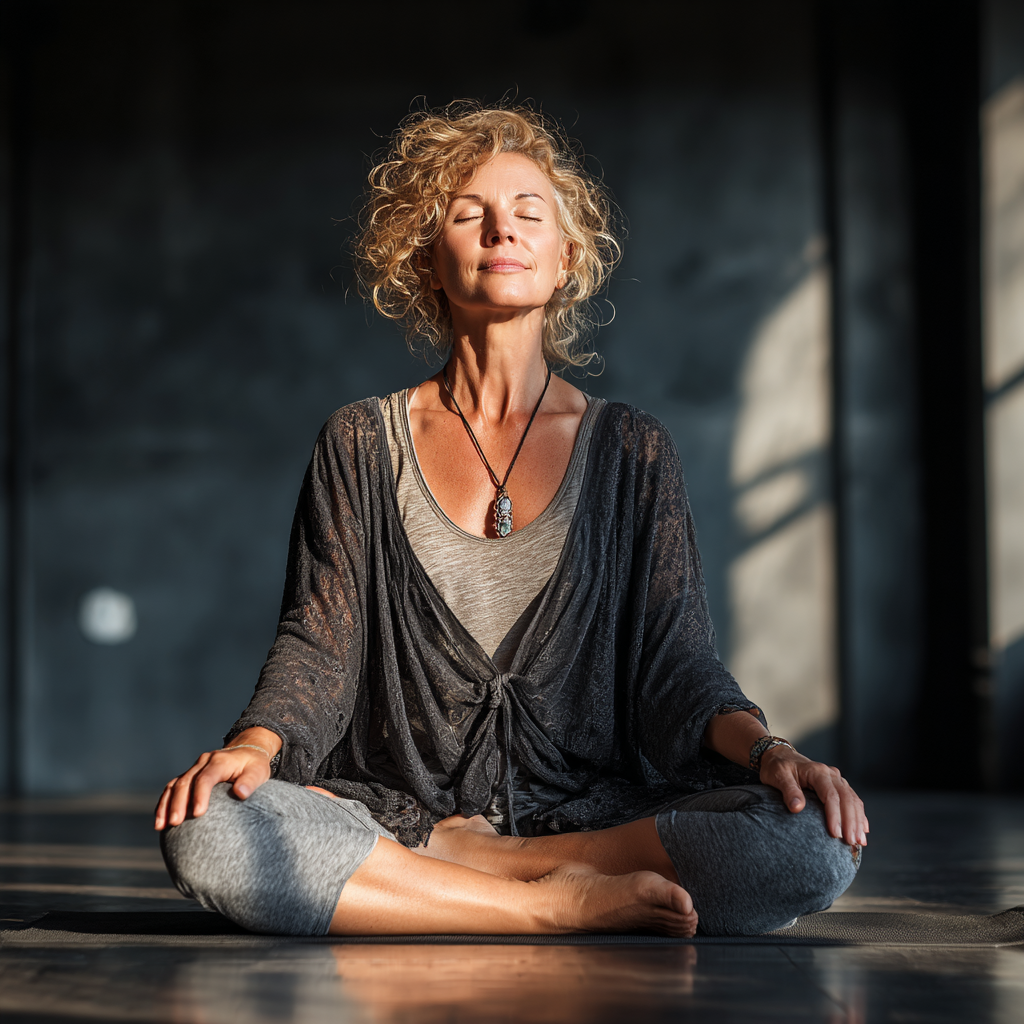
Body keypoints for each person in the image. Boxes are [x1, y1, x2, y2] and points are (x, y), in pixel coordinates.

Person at [155, 103, 868, 938]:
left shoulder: (633, 451)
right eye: (469, 215)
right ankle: (544, 905)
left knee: (812, 846)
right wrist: (256, 748)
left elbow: (678, 664)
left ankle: (465, 877)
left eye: (530, 214)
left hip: (593, 818)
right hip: (400, 811)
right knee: (207, 830)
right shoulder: (359, 442)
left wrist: (771, 753)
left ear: (566, 259)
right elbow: (319, 645)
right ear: (427, 259)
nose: (503, 230)